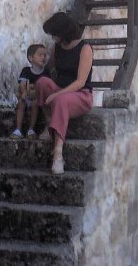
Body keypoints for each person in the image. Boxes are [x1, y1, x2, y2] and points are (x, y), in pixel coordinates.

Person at [36, 12, 93, 174]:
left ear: (63, 32)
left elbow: (80, 82)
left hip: (81, 95)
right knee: (42, 83)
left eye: (55, 34)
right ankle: (49, 125)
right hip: (62, 90)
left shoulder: (85, 48)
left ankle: (58, 154)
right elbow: (49, 70)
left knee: (61, 101)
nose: (53, 37)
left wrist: (57, 95)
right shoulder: (58, 48)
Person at [10, 44, 49, 139]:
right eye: (40, 55)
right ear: (31, 58)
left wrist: (33, 87)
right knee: (21, 103)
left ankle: (31, 129)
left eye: (45, 55)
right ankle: (18, 129)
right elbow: (22, 83)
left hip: (37, 98)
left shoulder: (46, 72)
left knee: (35, 104)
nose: (43, 57)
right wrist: (23, 92)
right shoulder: (26, 70)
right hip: (26, 96)